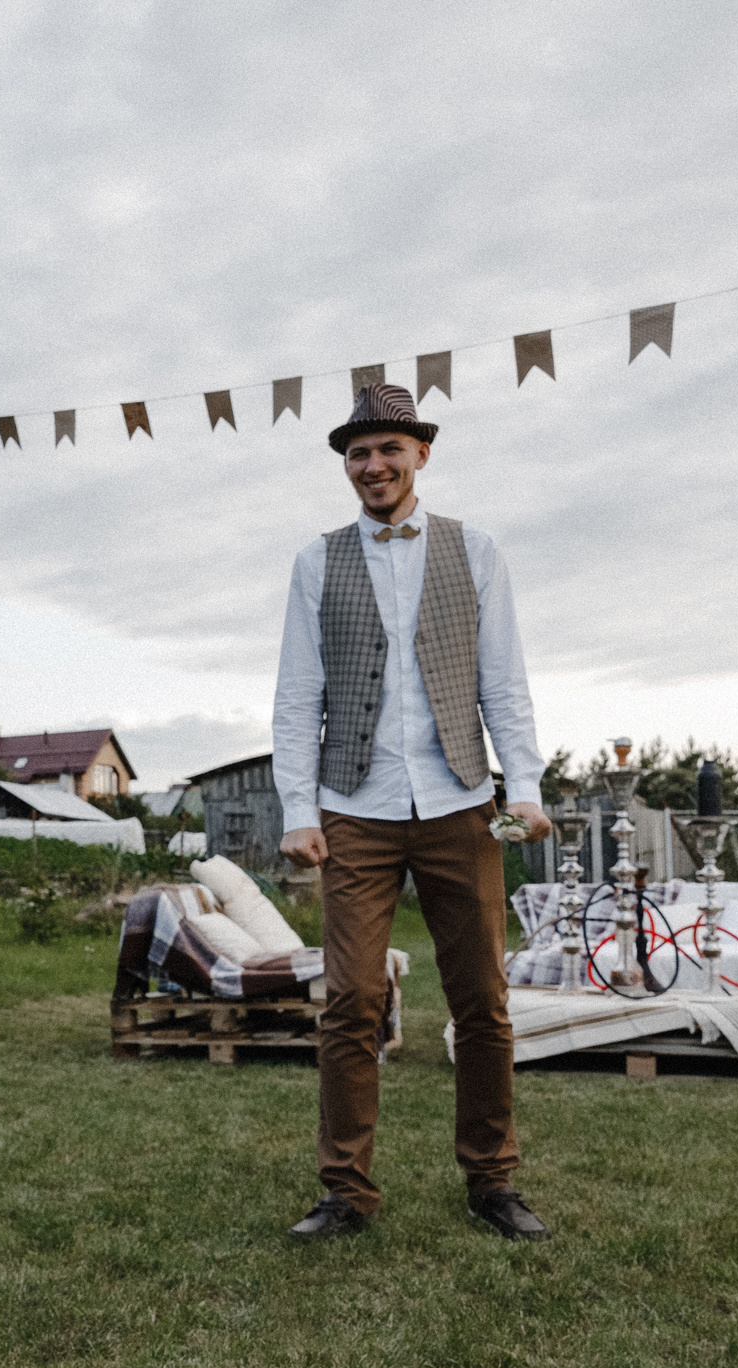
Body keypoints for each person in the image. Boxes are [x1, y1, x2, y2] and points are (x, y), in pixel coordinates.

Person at [271, 385, 556, 1243]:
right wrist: (297, 807)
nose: (373, 466)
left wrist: (528, 785)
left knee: (483, 1000)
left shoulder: (475, 551)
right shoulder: (317, 562)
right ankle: (346, 1190)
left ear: (420, 454)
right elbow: (297, 696)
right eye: (358, 454)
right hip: (353, 806)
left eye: (388, 449)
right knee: (351, 997)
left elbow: (502, 680)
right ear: (346, 467)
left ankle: (493, 1181)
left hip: (462, 800)